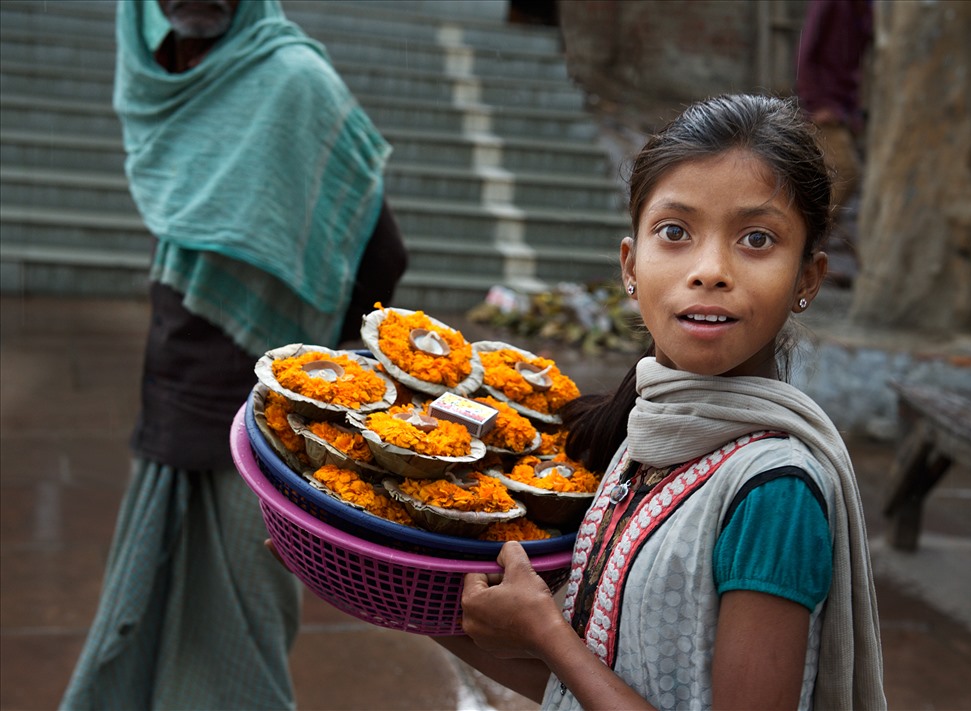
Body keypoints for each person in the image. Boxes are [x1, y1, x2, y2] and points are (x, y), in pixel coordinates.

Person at [437, 94, 886, 710]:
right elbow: (582, 690)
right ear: (630, 263)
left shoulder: (774, 493)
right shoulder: (641, 442)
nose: (709, 270)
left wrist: (547, 636)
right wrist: (366, 585)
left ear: (806, 279)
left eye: (757, 239)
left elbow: (567, 667)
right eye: (674, 232)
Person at [60, 1, 406, 709]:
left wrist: (295, 354)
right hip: (171, 392)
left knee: (238, 636)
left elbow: (382, 252)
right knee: (143, 614)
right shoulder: (161, 75)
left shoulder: (291, 79)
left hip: (256, 417)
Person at [796, 0, 873, 214]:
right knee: (846, 171)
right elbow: (806, 52)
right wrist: (816, 102)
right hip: (825, 106)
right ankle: (805, 238)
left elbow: (855, 63)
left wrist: (853, 111)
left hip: (843, 106)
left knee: (827, 177)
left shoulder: (865, 8)